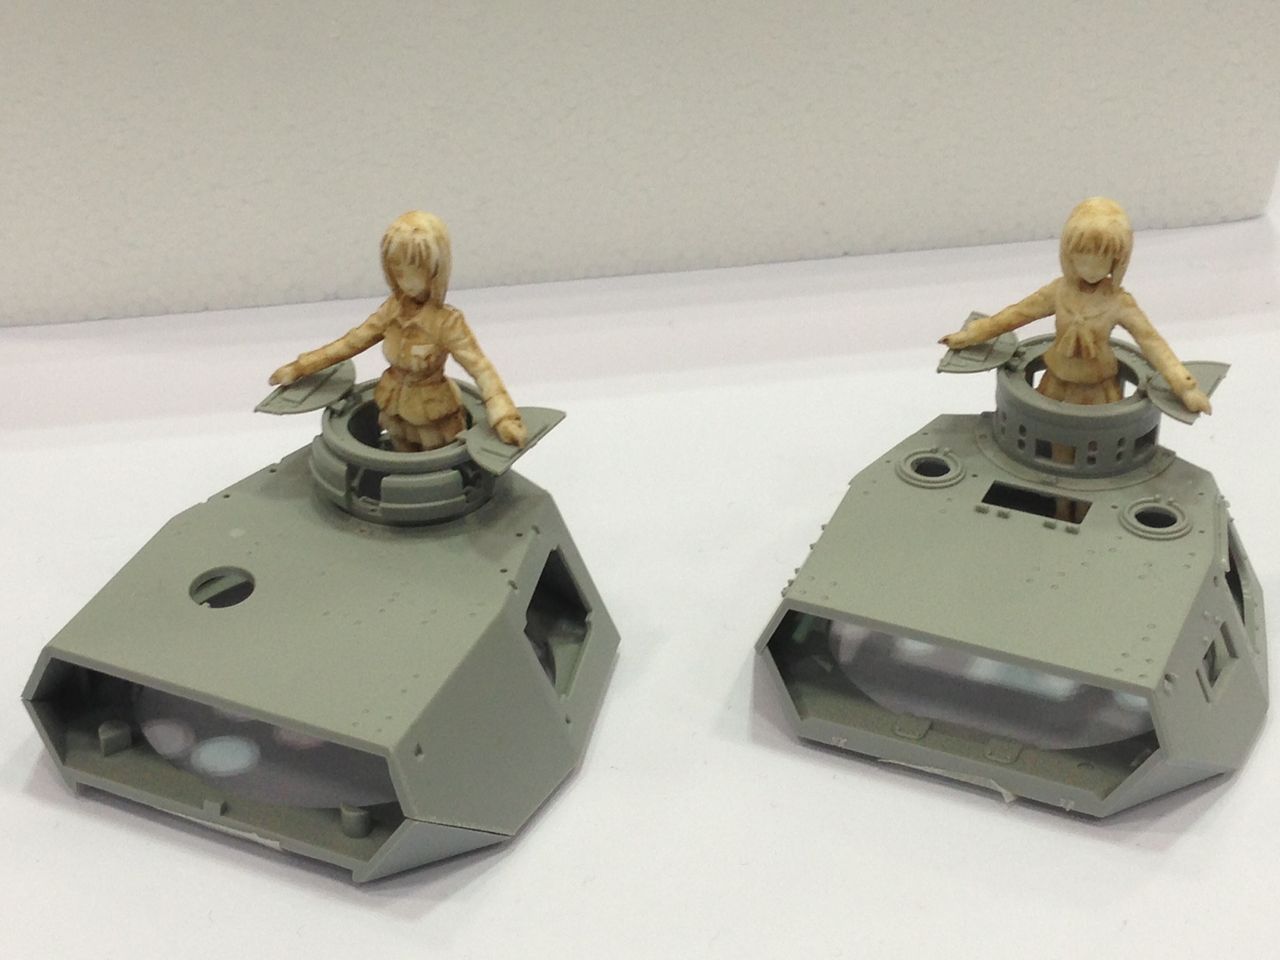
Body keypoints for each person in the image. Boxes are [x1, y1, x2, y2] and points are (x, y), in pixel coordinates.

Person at [269, 211, 527, 451]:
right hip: (393, 410)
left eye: (415, 270)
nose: (406, 281)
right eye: (398, 270)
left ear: (435, 269)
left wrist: (504, 417)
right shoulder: (391, 311)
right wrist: (301, 367)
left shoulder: (446, 323)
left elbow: (481, 368)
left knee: (433, 471)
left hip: (434, 418)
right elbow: (352, 342)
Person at [939, 197, 1211, 413]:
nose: (1090, 269)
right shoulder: (1058, 291)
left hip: (1099, 389)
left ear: (1117, 261)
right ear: (1069, 256)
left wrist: (1185, 387)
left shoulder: (1119, 302)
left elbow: (1152, 343)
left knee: (1096, 442)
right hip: (1055, 383)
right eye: (1082, 257)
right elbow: (1015, 315)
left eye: (1101, 260)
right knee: (1050, 435)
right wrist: (973, 334)